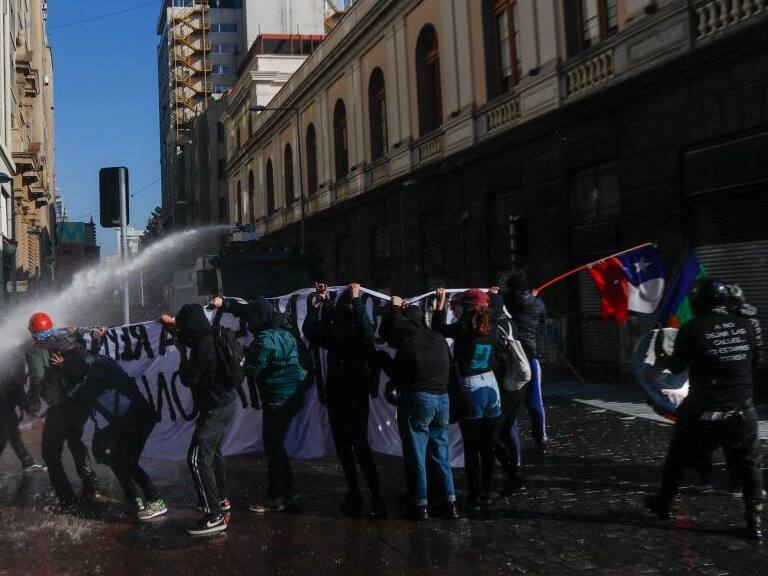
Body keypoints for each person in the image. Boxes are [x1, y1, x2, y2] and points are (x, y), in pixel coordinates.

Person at [645, 278, 765, 541]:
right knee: (750, 465)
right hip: (741, 408)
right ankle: (754, 520)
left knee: (677, 457)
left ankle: (663, 503)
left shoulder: (692, 329)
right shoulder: (746, 326)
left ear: (698, 302)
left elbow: (676, 368)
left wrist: (660, 351)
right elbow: (757, 362)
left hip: (702, 408)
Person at [210, 295, 309, 514]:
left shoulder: (265, 340)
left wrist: (235, 354)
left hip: (277, 399)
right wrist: (224, 305)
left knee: (273, 447)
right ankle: (289, 492)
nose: (247, 324)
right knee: (276, 446)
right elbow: (252, 309)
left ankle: (278, 497)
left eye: (250, 321)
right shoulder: (286, 328)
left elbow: (250, 369)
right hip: (294, 397)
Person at [51, 339, 167, 521]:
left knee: (126, 461)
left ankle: (156, 500)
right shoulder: (97, 365)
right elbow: (85, 367)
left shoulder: (99, 374)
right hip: (122, 422)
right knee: (114, 458)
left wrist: (64, 367)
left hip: (138, 419)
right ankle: (133, 499)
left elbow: (81, 391)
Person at [302, 282, 385, 519]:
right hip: (357, 396)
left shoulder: (332, 337)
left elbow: (309, 329)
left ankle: (355, 492)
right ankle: (376, 497)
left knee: (344, 448)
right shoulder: (359, 336)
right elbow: (367, 327)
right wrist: (357, 298)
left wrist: (318, 303)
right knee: (361, 447)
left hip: (336, 396)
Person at [379, 298, 459, 521]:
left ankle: (420, 504)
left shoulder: (409, 342)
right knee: (441, 454)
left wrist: (383, 358)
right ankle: (450, 502)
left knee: (416, 455)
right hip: (442, 399)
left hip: (419, 399)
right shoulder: (439, 338)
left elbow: (397, 372)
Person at [160, 304, 236, 536]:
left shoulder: (202, 348)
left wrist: (182, 354)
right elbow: (189, 334)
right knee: (213, 455)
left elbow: (187, 378)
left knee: (196, 459)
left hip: (214, 409)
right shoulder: (211, 333)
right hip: (224, 404)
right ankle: (221, 500)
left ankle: (214, 516)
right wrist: (173, 326)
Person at [433, 288, 501, 511]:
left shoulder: (464, 327)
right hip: (492, 386)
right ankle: (486, 492)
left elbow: (438, 329)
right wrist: (493, 295)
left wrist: (440, 304)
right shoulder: (494, 326)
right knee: (488, 445)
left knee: (471, 447)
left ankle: (473, 496)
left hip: (470, 387)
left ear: (468, 307)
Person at [25, 313, 100, 507]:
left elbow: (37, 378)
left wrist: (33, 403)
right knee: (75, 440)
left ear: (32, 332)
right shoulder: (64, 340)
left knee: (50, 453)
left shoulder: (35, 352)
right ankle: (90, 483)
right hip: (80, 402)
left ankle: (66, 497)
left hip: (59, 407)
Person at [504, 272, 548, 454]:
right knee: (535, 401)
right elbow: (543, 321)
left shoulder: (506, 300)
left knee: (509, 400)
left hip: (508, 356)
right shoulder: (537, 303)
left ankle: (510, 440)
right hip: (529, 354)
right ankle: (541, 439)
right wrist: (533, 298)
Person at [488, 288, 525, 489]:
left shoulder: (494, 327)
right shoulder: (510, 323)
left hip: (503, 386)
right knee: (506, 429)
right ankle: (515, 469)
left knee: (494, 434)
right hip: (517, 386)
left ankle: (513, 471)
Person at [0, 351, 46, 473]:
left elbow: (15, 384)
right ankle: (27, 461)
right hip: (4, 402)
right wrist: (26, 405)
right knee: (4, 432)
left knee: (13, 431)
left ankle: (27, 461)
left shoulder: (12, 353)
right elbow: (15, 384)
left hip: (6, 401)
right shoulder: (13, 356)